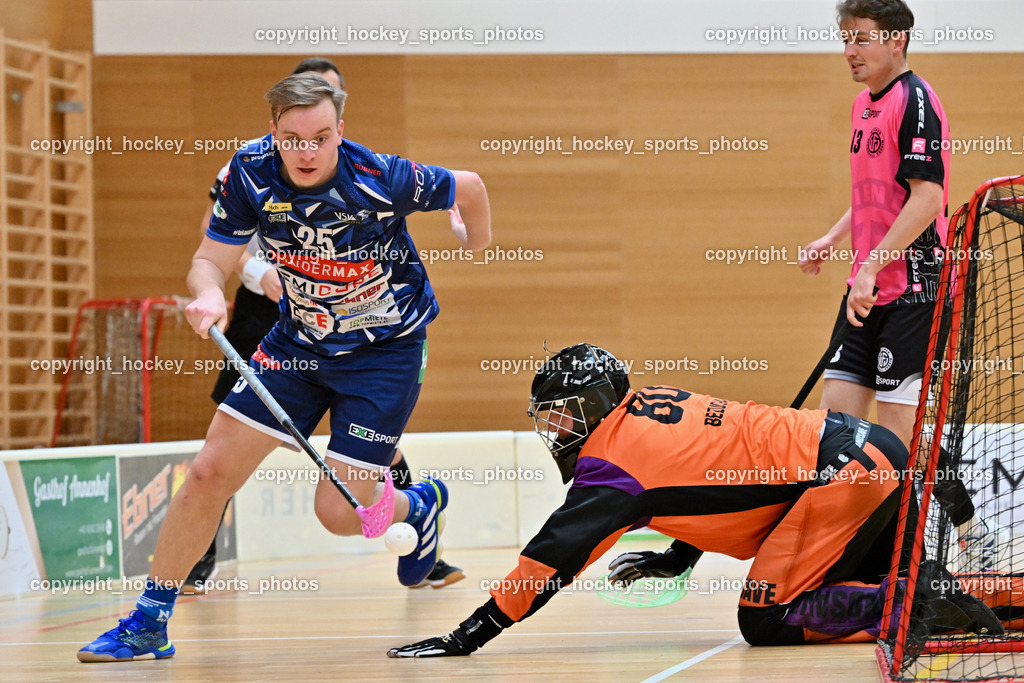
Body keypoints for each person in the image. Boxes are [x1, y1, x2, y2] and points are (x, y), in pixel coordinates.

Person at [78, 72, 490, 662]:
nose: (307, 151)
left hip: (384, 354)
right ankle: (149, 621)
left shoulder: (381, 177)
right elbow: (207, 259)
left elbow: (470, 187)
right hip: (297, 345)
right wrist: (210, 293)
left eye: (320, 137)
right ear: (274, 130)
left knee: (339, 514)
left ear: (339, 131)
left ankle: (417, 507)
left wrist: (472, 242)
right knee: (206, 473)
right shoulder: (249, 172)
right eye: (293, 138)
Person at [386, 343, 1002, 657]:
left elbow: (551, 558)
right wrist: (680, 556)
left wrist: (469, 634)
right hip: (868, 456)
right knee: (876, 576)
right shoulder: (650, 404)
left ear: (596, 406)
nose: (556, 432)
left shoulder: (610, 467)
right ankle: (974, 598)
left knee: (766, 619)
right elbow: (714, 474)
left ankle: (915, 606)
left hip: (840, 479)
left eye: (562, 416)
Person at [183, 57, 464, 595]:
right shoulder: (248, 166)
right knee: (224, 446)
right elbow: (213, 243)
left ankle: (418, 527)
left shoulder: (358, 168)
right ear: (282, 117)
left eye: (332, 112)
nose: (310, 142)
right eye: (298, 128)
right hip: (272, 313)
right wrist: (258, 272)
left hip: (359, 330)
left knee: (371, 447)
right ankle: (198, 562)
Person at [798, 0, 1004, 571]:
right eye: (844, 40)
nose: (849, 52)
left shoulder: (916, 100)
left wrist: (870, 267)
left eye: (860, 39)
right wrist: (835, 239)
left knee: (898, 437)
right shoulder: (864, 104)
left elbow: (928, 196)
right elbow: (874, 191)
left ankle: (964, 527)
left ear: (896, 40)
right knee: (835, 426)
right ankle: (855, 550)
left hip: (915, 289)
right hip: (868, 287)